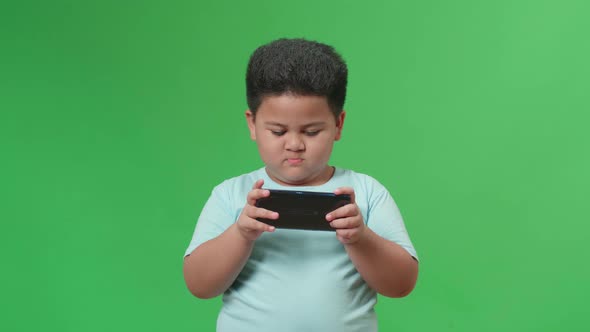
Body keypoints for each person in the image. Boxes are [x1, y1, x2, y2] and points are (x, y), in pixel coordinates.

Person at [183, 38, 418, 332]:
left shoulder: (366, 193)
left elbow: (402, 284)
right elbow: (199, 285)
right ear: (252, 124)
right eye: (278, 131)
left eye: (311, 131)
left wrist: (360, 238)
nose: (294, 145)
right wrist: (241, 234)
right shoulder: (231, 195)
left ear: (339, 125)